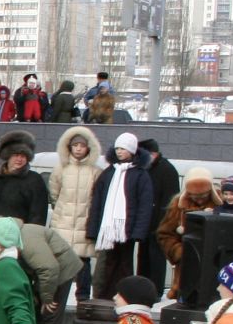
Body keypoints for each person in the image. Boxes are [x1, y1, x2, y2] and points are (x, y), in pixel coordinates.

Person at [87, 132, 155, 295]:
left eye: (123, 149)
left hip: (127, 229)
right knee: (106, 264)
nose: (119, 152)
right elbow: (97, 201)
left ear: (132, 151)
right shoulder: (109, 172)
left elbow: (144, 206)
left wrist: (138, 232)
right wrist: (93, 228)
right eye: (117, 148)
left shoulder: (140, 175)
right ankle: (104, 295)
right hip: (108, 228)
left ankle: (123, 294)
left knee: (125, 264)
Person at [48, 125, 101, 303]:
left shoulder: (95, 172)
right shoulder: (60, 169)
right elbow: (54, 194)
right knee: (60, 265)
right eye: (75, 145)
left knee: (83, 265)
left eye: (82, 145)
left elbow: (96, 199)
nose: (78, 148)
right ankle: (56, 301)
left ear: (89, 147)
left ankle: (83, 302)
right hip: (62, 224)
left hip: (83, 226)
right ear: (68, 146)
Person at [154, 167, 219, 300]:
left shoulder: (220, 203)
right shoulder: (177, 205)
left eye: (204, 196)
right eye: (195, 196)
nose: (200, 200)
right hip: (186, 268)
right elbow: (164, 233)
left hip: (213, 265)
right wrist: (179, 252)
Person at [0, 129, 46, 242]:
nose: (19, 159)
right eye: (16, 155)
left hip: (17, 242)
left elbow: (38, 217)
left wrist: (28, 242)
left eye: (23, 155)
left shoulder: (34, 180)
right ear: (8, 156)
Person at [17, 219, 84, 323]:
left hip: (62, 270)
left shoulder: (26, 239)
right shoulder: (17, 236)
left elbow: (49, 268)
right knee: (39, 315)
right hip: (47, 271)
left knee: (49, 315)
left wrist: (47, 298)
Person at [136, 139, 180, 289]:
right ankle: (142, 286)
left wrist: (164, 224)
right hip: (145, 223)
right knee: (143, 257)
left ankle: (155, 289)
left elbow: (171, 201)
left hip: (159, 224)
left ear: (153, 154)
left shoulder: (167, 170)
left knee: (156, 258)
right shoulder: (144, 168)